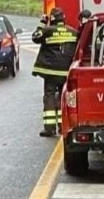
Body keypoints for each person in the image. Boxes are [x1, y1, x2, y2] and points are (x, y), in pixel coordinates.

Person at [31, 7, 79, 137]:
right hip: (66, 72)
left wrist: (42, 23)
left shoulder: (47, 31)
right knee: (62, 98)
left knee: (50, 97)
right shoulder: (73, 32)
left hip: (50, 72)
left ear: (51, 19)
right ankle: (62, 126)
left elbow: (35, 37)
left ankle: (49, 128)